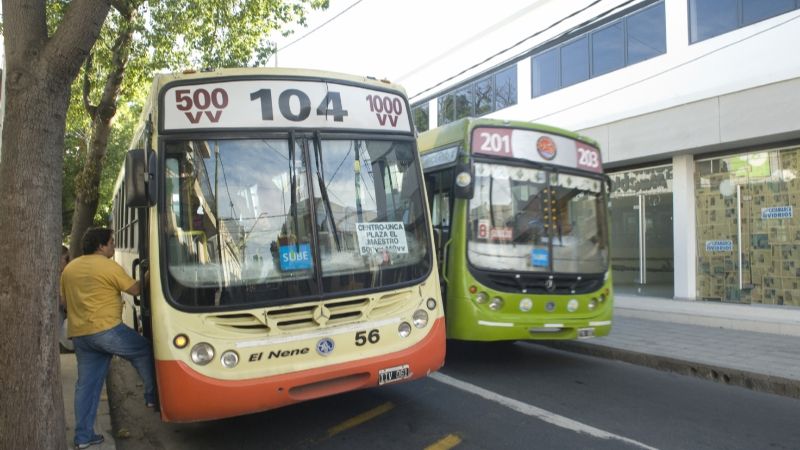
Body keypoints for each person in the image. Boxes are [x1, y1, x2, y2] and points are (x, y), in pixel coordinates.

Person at [61, 227, 156, 449]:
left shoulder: (69, 269)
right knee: (144, 350)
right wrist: (151, 272)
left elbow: (64, 303)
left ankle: (83, 438)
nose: (114, 246)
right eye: (112, 242)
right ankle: (152, 397)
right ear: (101, 246)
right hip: (107, 330)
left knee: (86, 386)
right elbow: (135, 290)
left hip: (81, 335)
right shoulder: (108, 266)